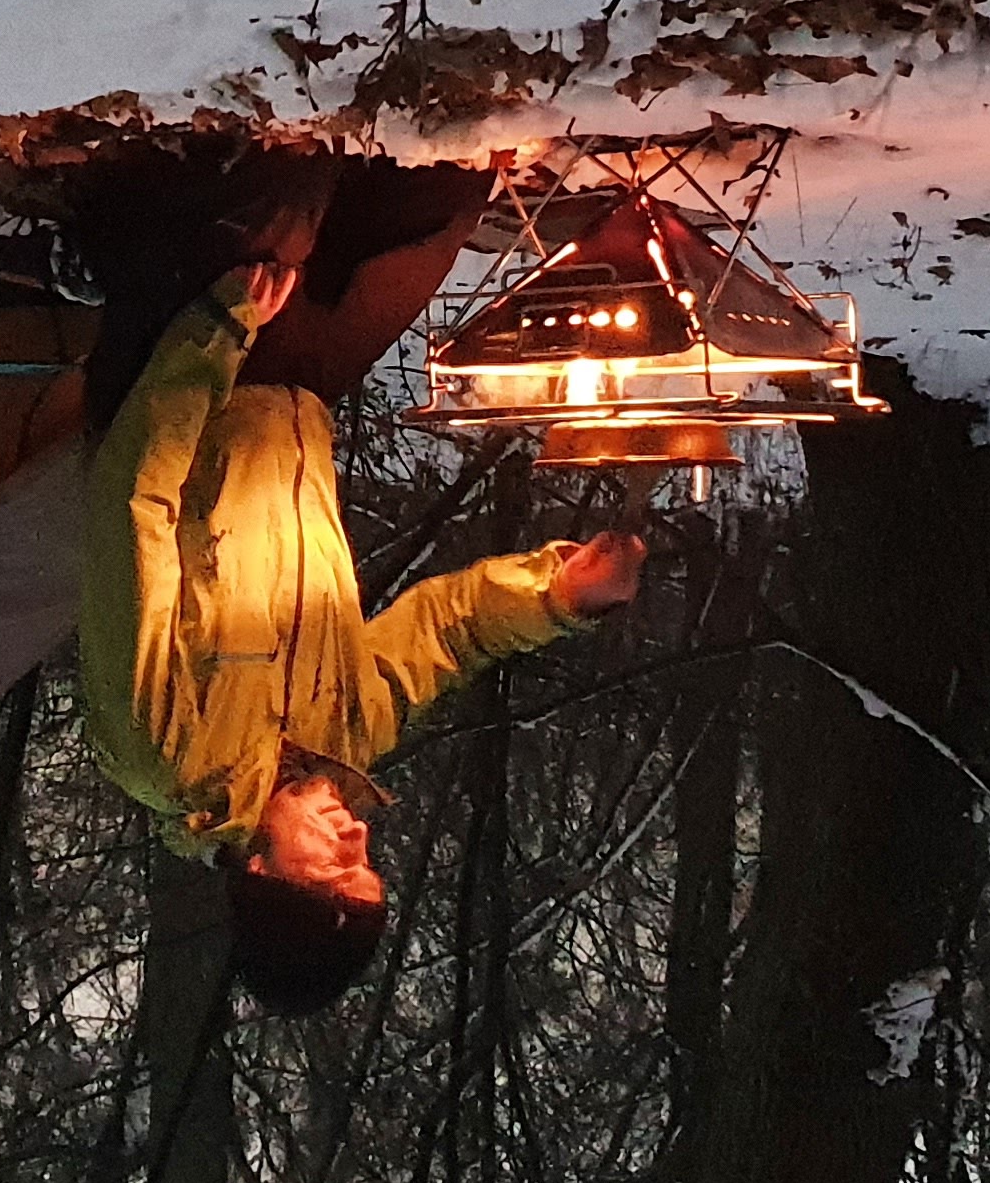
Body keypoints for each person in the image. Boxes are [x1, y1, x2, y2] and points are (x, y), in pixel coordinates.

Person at [76, 161, 643, 1014]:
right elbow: (449, 636)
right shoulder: (351, 737)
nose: (358, 833)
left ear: (260, 871)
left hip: (188, 368)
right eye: (368, 863)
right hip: (303, 391)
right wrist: (560, 598)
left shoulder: (163, 755)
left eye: (334, 863)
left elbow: (137, 506)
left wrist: (215, 333)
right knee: (444, 195)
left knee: (285, 200)